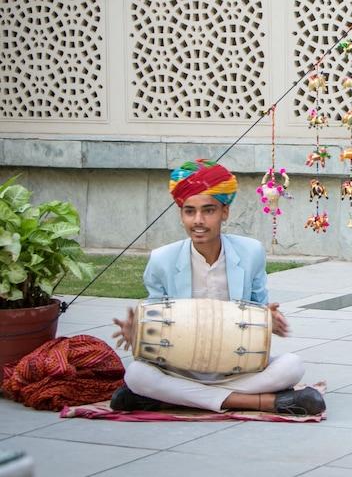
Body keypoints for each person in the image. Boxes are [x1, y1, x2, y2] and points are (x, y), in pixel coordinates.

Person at [110, 159, 325, 414]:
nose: (198, 220)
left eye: (208, 210)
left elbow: (259, 309)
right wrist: (139, 333)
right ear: (181, 214)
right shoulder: (162, 260)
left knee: (293, 365)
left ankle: (174, 399)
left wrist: (269, 320)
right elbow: (157, 325)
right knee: (137, 374)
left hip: (236, 368)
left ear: (225, 212)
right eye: (189, 211)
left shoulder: (250, 252)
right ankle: (265, 402)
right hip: (181, 369)